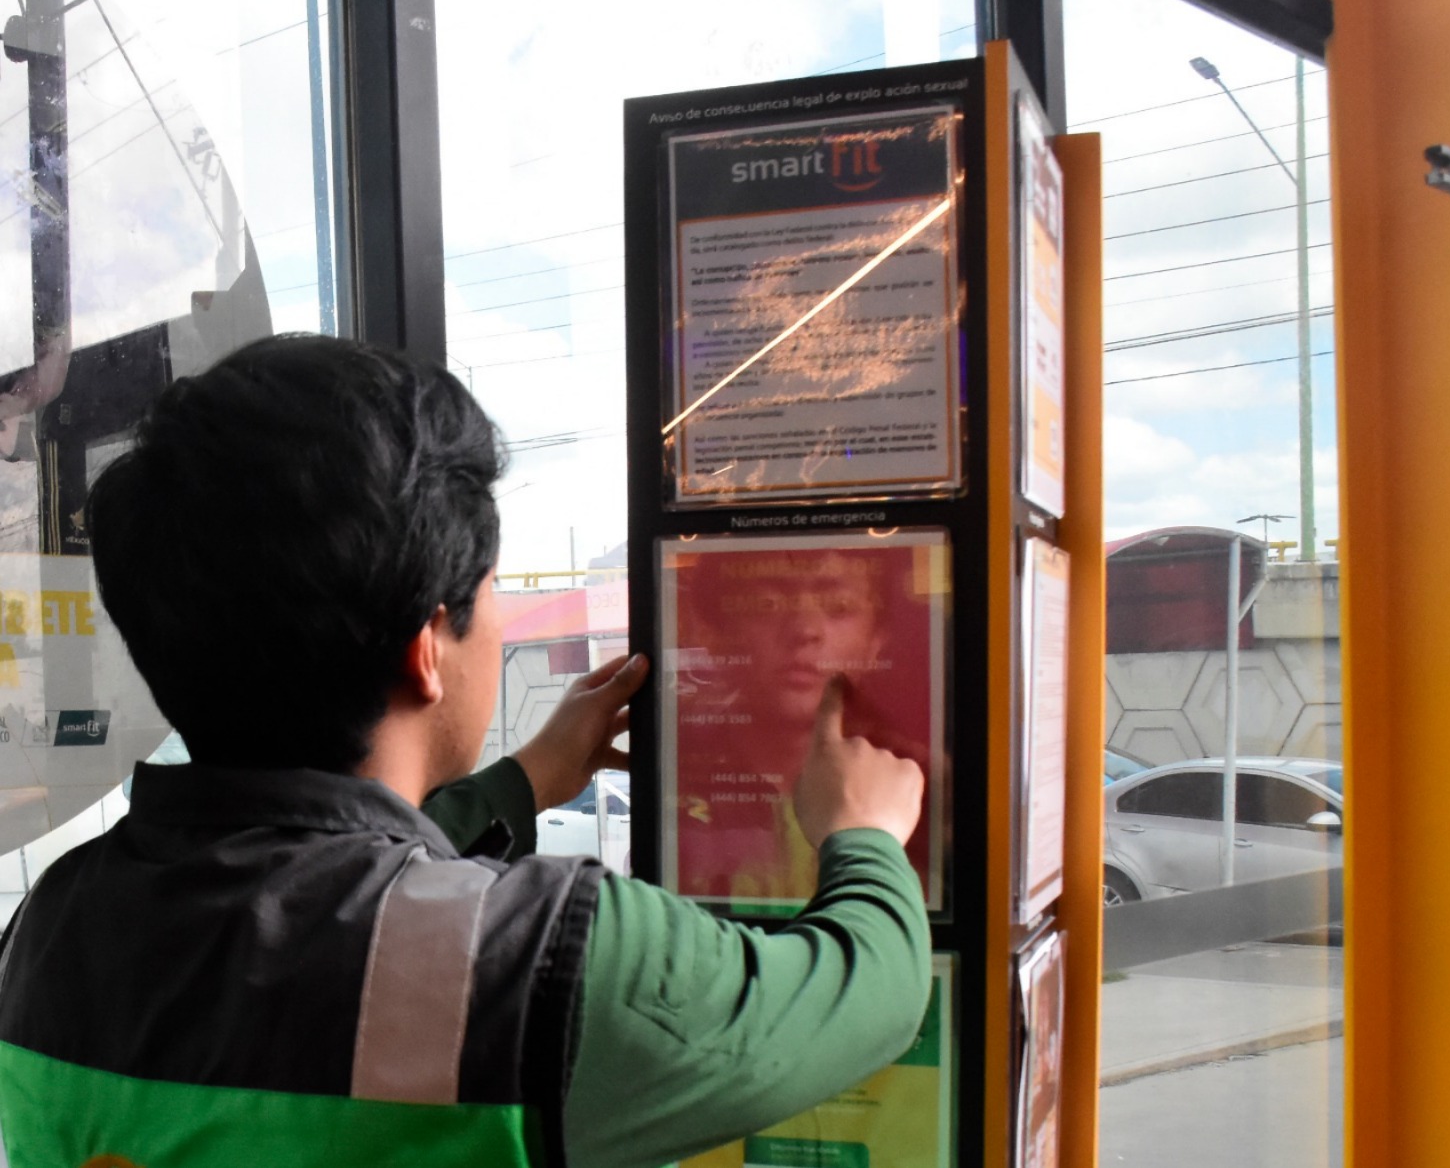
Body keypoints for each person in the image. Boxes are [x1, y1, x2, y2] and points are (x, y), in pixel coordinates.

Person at [0, 334, 929, 1168]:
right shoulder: (543, 964)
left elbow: (292, 899)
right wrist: (865, 835)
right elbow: (863, 996)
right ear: (426, 649)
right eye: (490, 594)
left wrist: (523, 783)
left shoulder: (51, 926)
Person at [670, 544, 937, 908]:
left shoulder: (925, 788)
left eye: (839, 606)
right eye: (766, 604)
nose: (805, 630)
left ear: (876, 642)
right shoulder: (675, 778)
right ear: (712, 634)